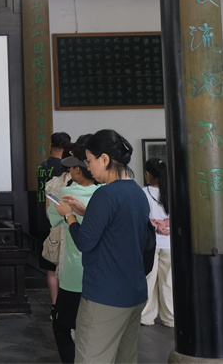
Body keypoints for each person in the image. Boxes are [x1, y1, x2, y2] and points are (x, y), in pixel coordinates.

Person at [55, 129, 149, 363]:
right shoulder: (137, 192)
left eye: (89, 160)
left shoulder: (105, 194)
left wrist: (69, 215)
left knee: (91, 358)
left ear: (104, 159)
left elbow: (84, 242)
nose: (88, 166)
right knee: (125, 357)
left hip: (105, 294)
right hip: (134, 291)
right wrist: (86, 212)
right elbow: (120, 229)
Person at [47, 138, 100, 363]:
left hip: (73, 275)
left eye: (71, 168)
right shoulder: (105, 192)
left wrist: (67, 212)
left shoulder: (65, 194)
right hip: (100, 276)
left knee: (62, 326)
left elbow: (53, 219)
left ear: (78, 170)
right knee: (96, 329)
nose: (69, 171)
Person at [36, 132, 72, 320]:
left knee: (51, 266)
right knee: (65, 265)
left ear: (50, 146)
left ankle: (54, 306)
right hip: (62, 222)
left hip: (45, 221)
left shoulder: (42, 166)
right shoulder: (64, 170)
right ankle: (66, 307)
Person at [141, 158, 174, 328]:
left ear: (147, 174)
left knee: (149, 280)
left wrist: (155, 225)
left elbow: (141, 217)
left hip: (150, 244)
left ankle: (146, 316)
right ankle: (170, 317)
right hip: (169, 244)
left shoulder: (143, 193)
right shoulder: (172, 192)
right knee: (168, 282)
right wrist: (166, 224)